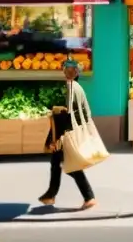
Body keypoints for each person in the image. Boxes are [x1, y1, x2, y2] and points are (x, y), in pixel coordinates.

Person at [39, 57, 96, 210]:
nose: (68, 72)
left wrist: (58, 135)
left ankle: (89, 197)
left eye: (70, 70)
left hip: (68, 132)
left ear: (75, 72)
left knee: (69, 165)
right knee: (57, 163)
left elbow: (69, 113)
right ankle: (51, 195)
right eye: (67, 69)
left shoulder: (72, 87)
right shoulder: (74, 86)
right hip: (70, 130)